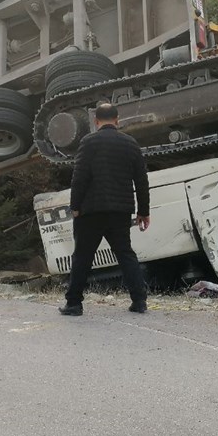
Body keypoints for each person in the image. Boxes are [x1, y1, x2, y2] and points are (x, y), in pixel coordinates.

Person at [60, 103, 150, 317]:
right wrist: (143, 212)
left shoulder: (88, 142)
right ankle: (139, 301)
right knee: (125, 254)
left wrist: (75, 206)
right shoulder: (130, 144)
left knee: (82, 256)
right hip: (119, 211)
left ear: (96, 121)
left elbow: (79, 177)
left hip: (90, 211)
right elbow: (141, 180)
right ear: (117, 120)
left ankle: (74, 304)